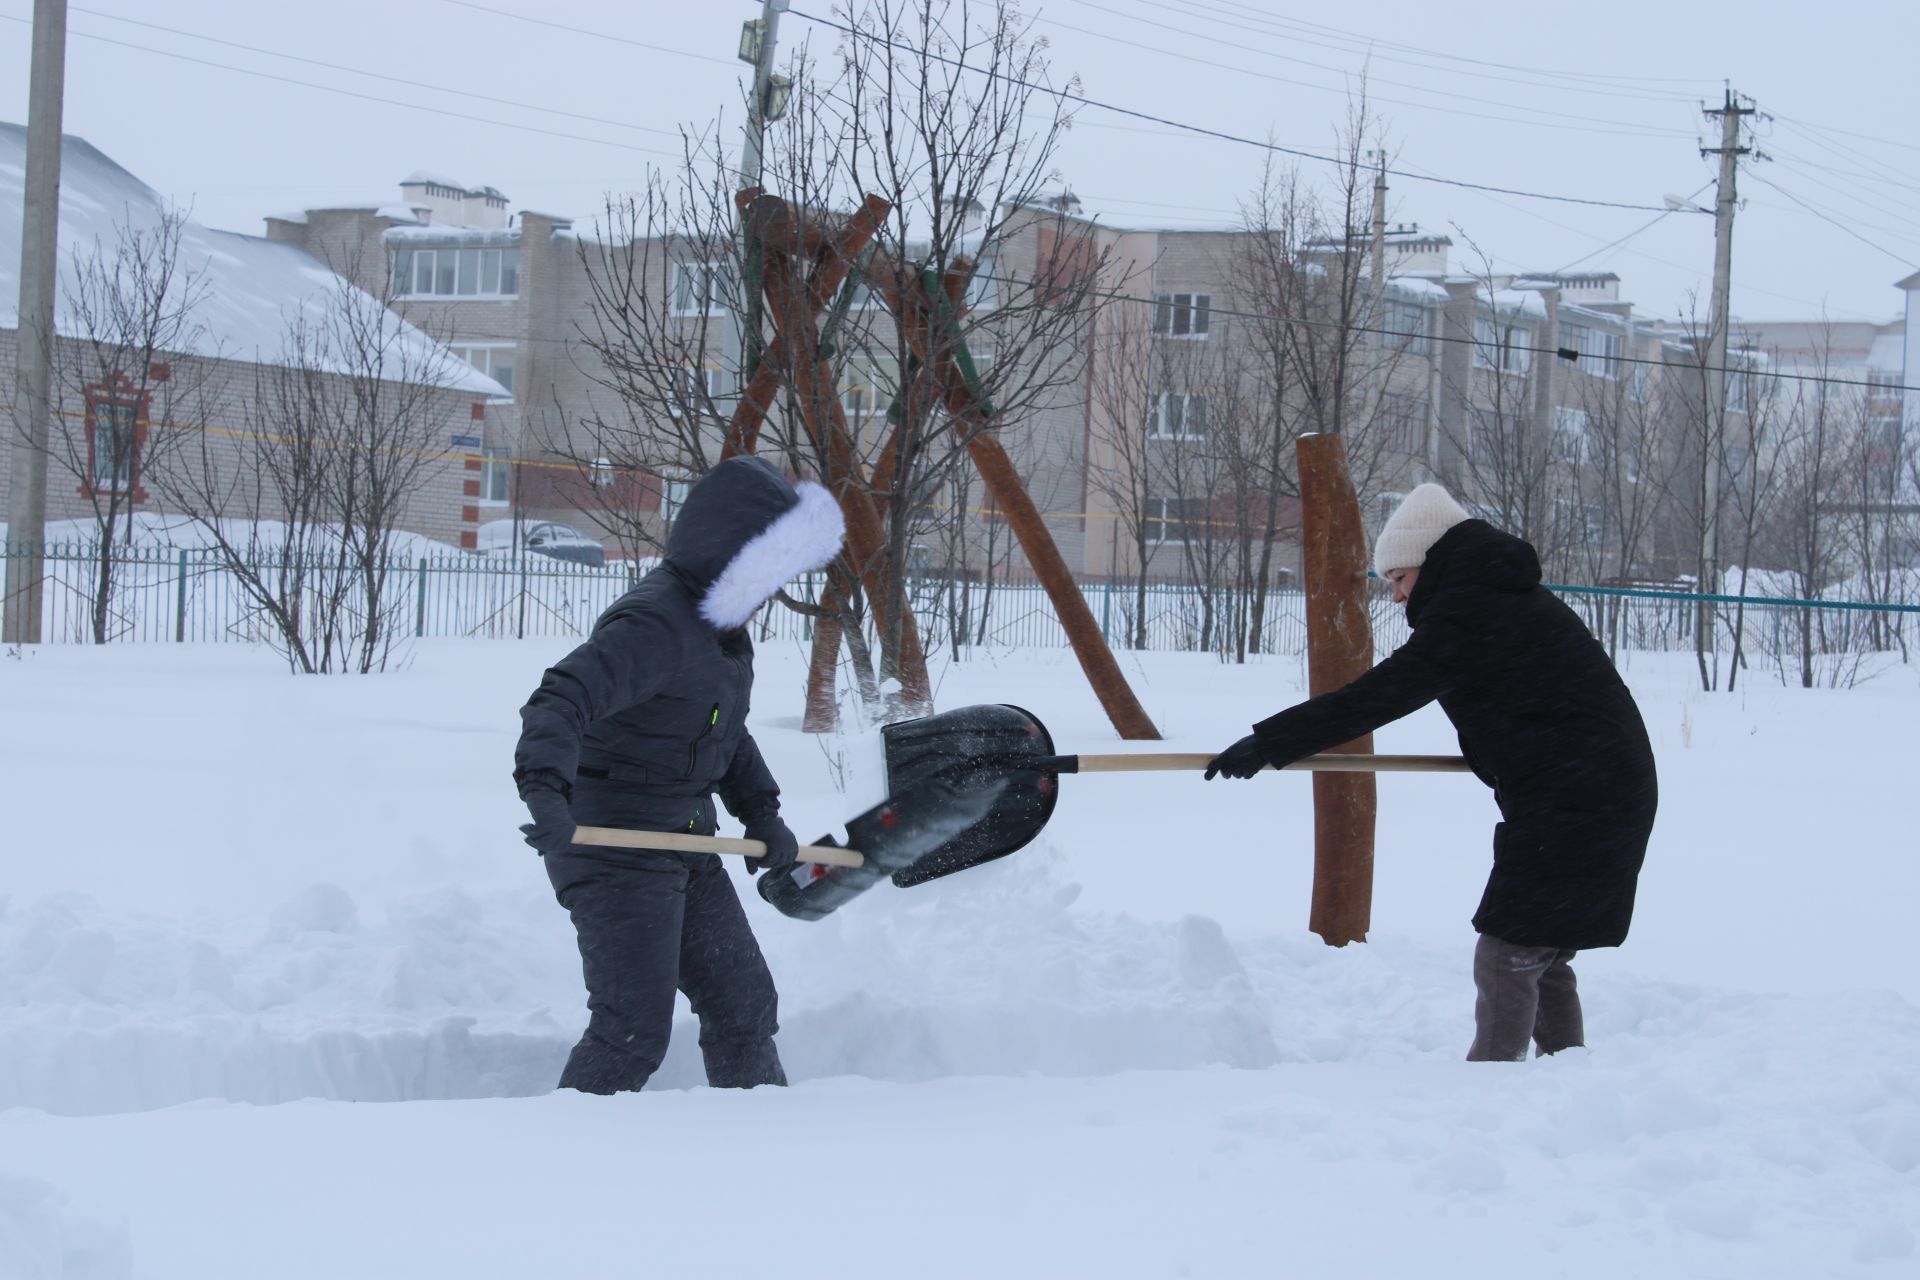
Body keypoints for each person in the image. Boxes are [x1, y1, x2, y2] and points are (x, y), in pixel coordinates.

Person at [1205, 483, 1657, 1061]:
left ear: (1427, 563)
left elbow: (1382, 695)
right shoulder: (1499, 595)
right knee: (1539, 950)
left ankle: (1492, 1086)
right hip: (1595, 788)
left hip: (1578, 795)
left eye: (1397, 579)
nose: (1395, 598)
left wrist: (1269, 743)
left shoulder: (1474, 607)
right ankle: (1565, 1075)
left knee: (1509, 948)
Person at [513, 456, 845, 1093]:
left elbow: (719, 727)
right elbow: (560, 699)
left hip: (686, 840)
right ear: (729, 550)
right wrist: (546, 793)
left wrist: (761, 813)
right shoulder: (653, 626)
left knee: (745, 1007)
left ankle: (752, 1143)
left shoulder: (720, 629)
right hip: (616, 846)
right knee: (631, 1029)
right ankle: (561, 1166)